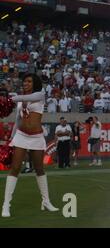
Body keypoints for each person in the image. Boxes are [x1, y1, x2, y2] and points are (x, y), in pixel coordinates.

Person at [2, 73, 59, 217]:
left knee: (39, 169)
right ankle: (6, 205)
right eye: (25, 81)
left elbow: (25, 98)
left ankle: (46, 201)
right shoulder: (21, 101)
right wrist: (11, 139)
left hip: (36, 137)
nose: (26, 83)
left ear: (35, 84)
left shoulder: (40, 95)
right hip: (21, 136)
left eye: (29, 81)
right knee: (15, 168)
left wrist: (10, 99)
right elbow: (17, 121)